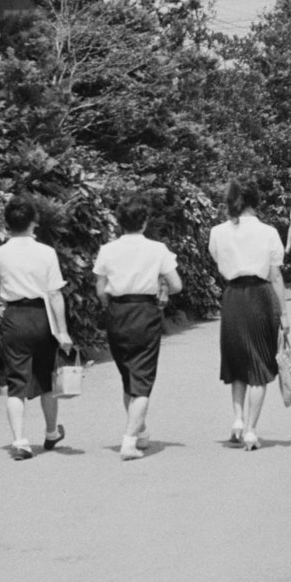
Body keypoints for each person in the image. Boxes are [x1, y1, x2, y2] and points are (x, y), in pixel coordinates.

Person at [93, 196, 183, 461]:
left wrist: (110, 305)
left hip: (117, 312)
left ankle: (140, 431)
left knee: (128, 377)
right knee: (142, 380)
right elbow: (176, 285)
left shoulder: (107, 250)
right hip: (145, 312)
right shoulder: (157, 249)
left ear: (120, 222)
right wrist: (161, 288)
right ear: (144, 221)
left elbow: (100, 289)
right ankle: (129, 442)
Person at [0, 194, 74, 459]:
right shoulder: (46, 253)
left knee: (16, 383)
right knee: (47, 379)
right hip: (42, 316)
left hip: (14, 317)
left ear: (7, 224)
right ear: (33, 222)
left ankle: (20, 442)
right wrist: (63, 331)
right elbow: (56, 293)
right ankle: (51, 432)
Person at [208, 179, 288, 450]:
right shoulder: (268, 232)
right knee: (259, 365)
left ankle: (238, 422)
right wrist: (284, 315)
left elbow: (218, 261)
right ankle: (252, 430)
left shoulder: (218, 232)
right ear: (256, 202)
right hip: (260, 297)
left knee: (237, 362)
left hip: (232, 297)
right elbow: (276, 276)